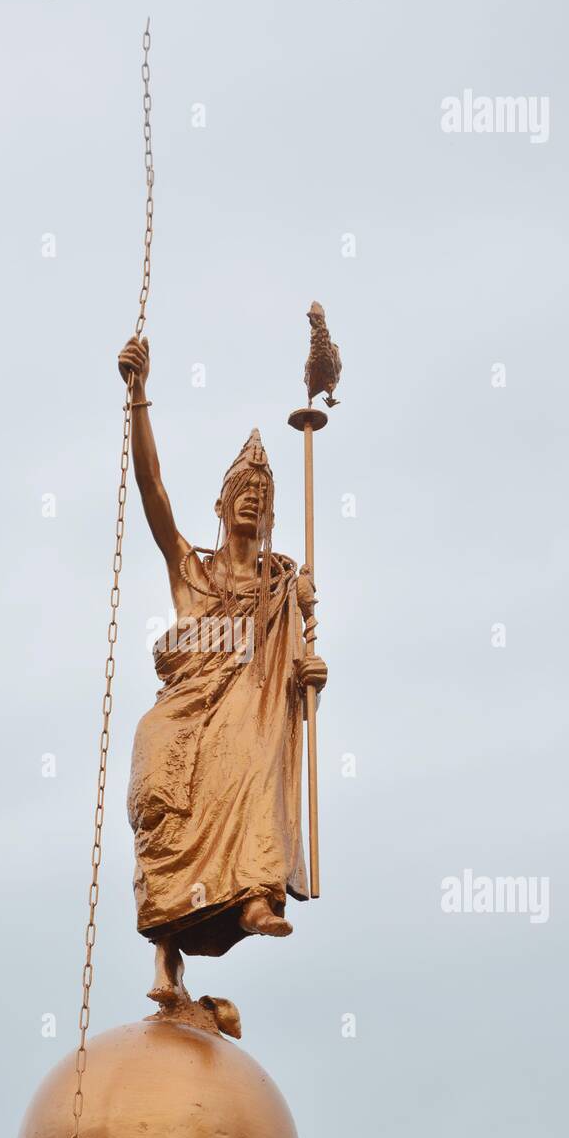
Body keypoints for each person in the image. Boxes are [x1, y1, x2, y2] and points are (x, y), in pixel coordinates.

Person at [118, 335, 328, 1010]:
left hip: (249, 709)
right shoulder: (192, 569)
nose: (251, 499)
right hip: (185, 713)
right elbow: (151, 487)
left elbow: (287, 684)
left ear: (270, 513)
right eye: (242, 489)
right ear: (221, 503)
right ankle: (165, 959)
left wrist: (308, 677)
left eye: (262, 494)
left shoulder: (282, 587)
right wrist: (136, 395)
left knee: (255, 747)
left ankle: (258, 892)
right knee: (163, 805)